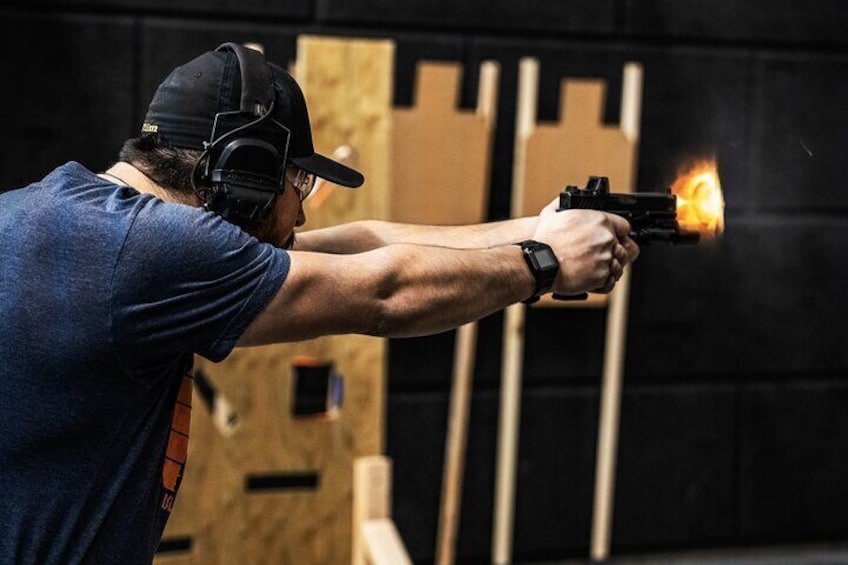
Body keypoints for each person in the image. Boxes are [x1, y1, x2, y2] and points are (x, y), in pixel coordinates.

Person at [0, 42, 638, 564]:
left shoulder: (65, 218)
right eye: (296, 181)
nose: (302, 208)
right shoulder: (157, 252)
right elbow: (384, 293)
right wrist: (545, 266)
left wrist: (538, 228)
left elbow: (360, 243)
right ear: (243, 173)